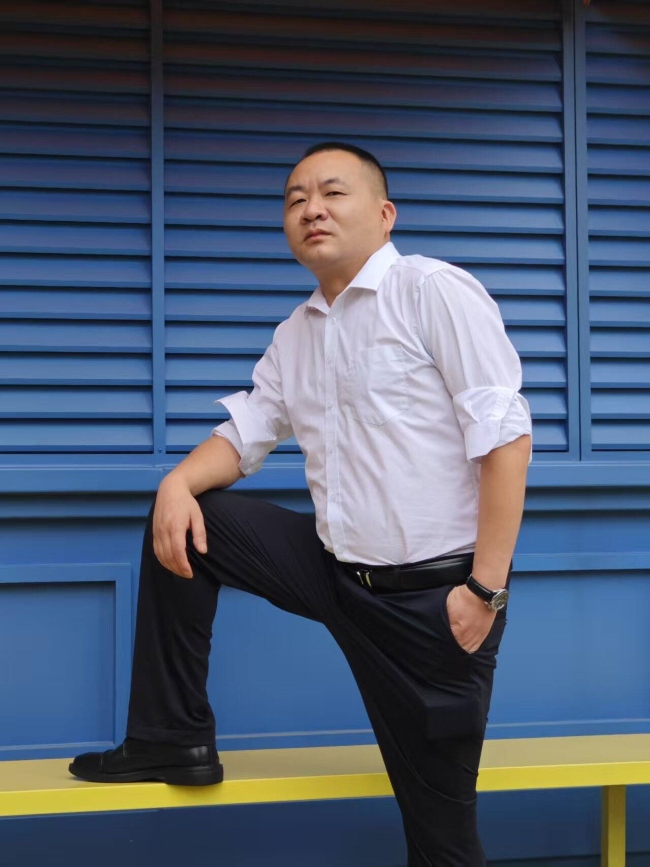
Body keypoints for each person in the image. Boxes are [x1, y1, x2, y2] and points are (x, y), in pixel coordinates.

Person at [70, 142, 532, 866]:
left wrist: (485, 591)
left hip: (434, 606)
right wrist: (175, 483)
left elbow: (505, 437)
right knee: (192, 517)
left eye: (332, 193)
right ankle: (171, 738)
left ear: (385, 214)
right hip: (335, 576)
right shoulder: (298, 331)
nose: (311, 209)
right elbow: (248, 430)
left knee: (441, 840)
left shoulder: (431, 291)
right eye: (295, 199)